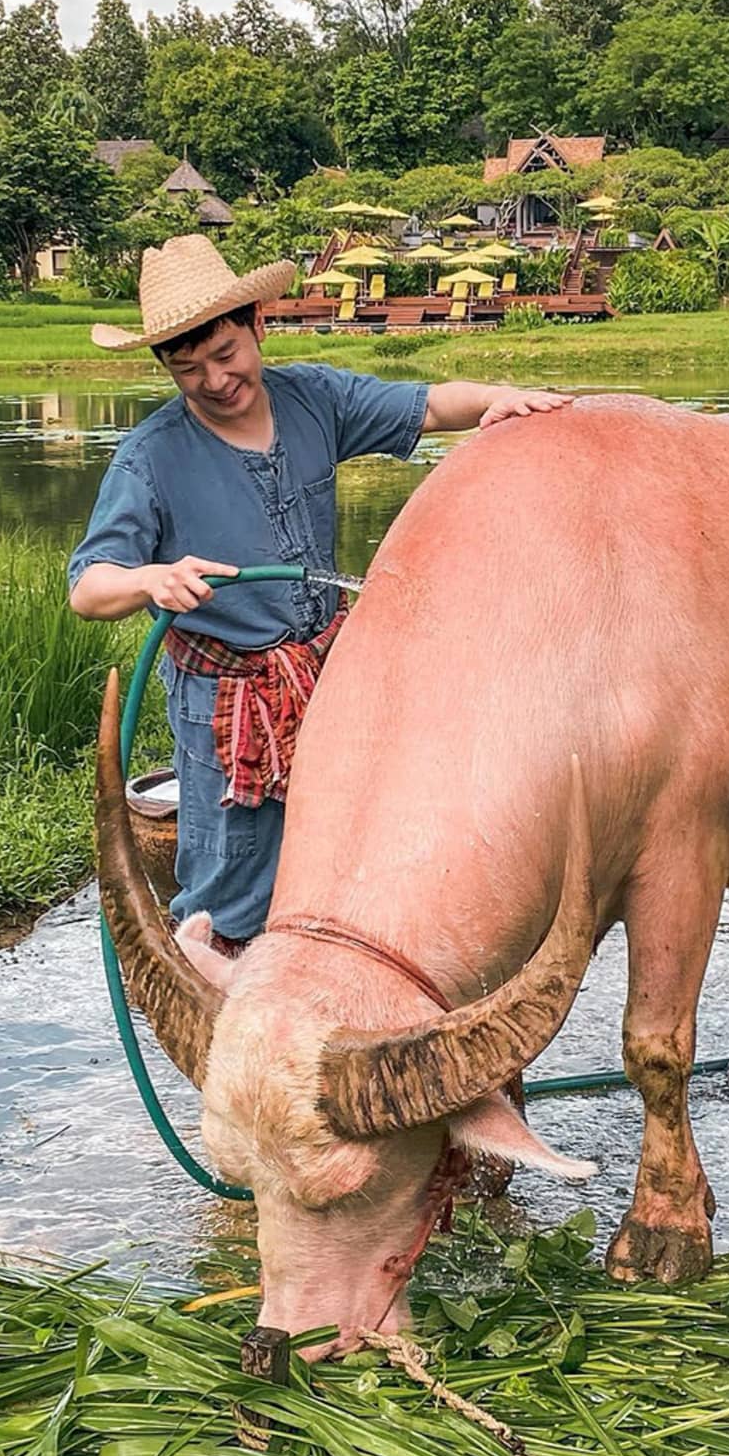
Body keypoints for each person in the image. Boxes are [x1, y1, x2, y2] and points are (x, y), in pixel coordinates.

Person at [69, 233, 571, 950]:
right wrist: (151, 577)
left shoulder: (312, 399)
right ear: (167, 369)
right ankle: (218, 1008)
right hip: (228, 701)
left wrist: (502, 401)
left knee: (348, 841)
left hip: (329, 678)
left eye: (225, 354)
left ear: (257, 325)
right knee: (230, 878)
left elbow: (427, 406)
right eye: (189, 369)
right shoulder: (149, 458)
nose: (215, 380)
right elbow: (90, 585)